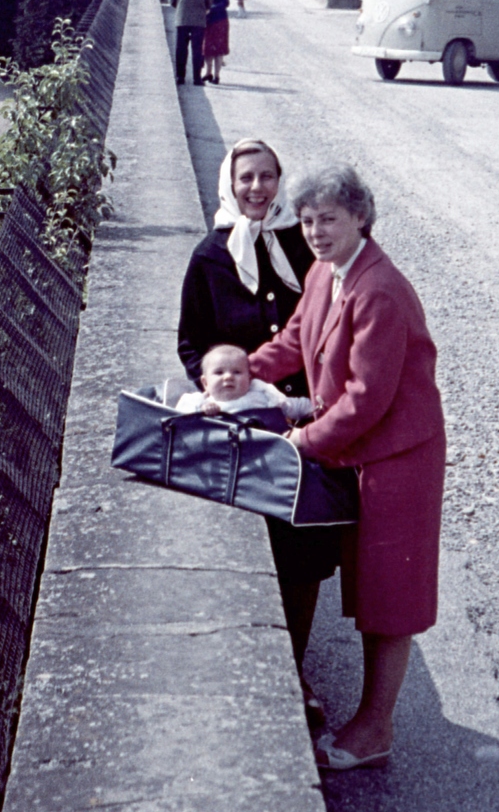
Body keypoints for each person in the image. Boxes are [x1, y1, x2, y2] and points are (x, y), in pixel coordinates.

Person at [249, 164, 445, 773]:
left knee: (390, 598)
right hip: (363, 451)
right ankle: (368, 719)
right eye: (306, 220)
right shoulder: (324, 272)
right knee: (368, 589)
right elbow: (294, 342)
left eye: (328, 219)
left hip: (397, 458)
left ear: (361, 216)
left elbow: (366, 398)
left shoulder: (378, 289)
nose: (314, 231)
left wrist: (302, 440)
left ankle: (375, 728)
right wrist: (234, 372)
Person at [177, 139, 338, 727]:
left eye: (268, 177)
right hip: (237, 425)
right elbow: (191, 342)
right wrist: (222, 388)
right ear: (230, 182)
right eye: (247, 177)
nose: (258, 188)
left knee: (306, 540)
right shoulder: (209, 257)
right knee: (256, 541)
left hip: (301, 421)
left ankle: (295, 669)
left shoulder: (302, 244)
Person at [175, 343, 312, 420]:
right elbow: (181, 422)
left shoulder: (262, 394)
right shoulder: (200, 402)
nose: (228, 377)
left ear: (249, 378)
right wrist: (202, 412)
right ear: (205, 383)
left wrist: (317, 407)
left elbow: (291, 406)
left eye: (237, 372)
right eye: (219, 372)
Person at [169, 0, 213, 85]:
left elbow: (171, 1)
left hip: (181, 20)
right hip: (198, 21)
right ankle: (196, 78)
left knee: (180, 49)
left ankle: (180, 77)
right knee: (197, 50)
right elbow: (209, 3)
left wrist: (181, 9)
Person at [203, 0, 230, 84]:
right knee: (207, 49)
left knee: (219, 49)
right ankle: (208, 73)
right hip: (207, 22)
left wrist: (211, 9)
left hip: (219, 21)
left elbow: (226, 3)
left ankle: (217, 76)